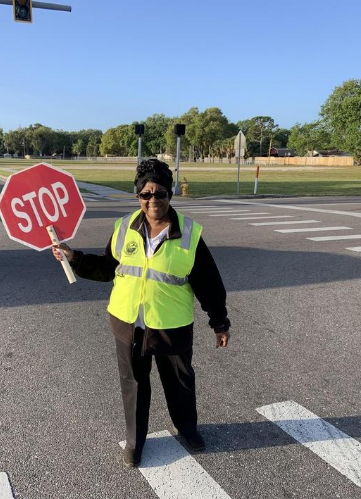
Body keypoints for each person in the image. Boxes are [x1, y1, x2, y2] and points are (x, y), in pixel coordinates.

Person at [52, 159, 231, 468]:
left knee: (180, 382)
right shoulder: (124, 227)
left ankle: (187, 429)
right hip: (128, 324)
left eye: (159, 193)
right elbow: (108, 269)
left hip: (171, 325)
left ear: (170, 194)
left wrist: (219, 322)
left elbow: (209, 283)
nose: (152, 201)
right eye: (145, 194)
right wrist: (74, 257)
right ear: (137, 196)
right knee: (134, 384)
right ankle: (136, 442)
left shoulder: (189, 233)